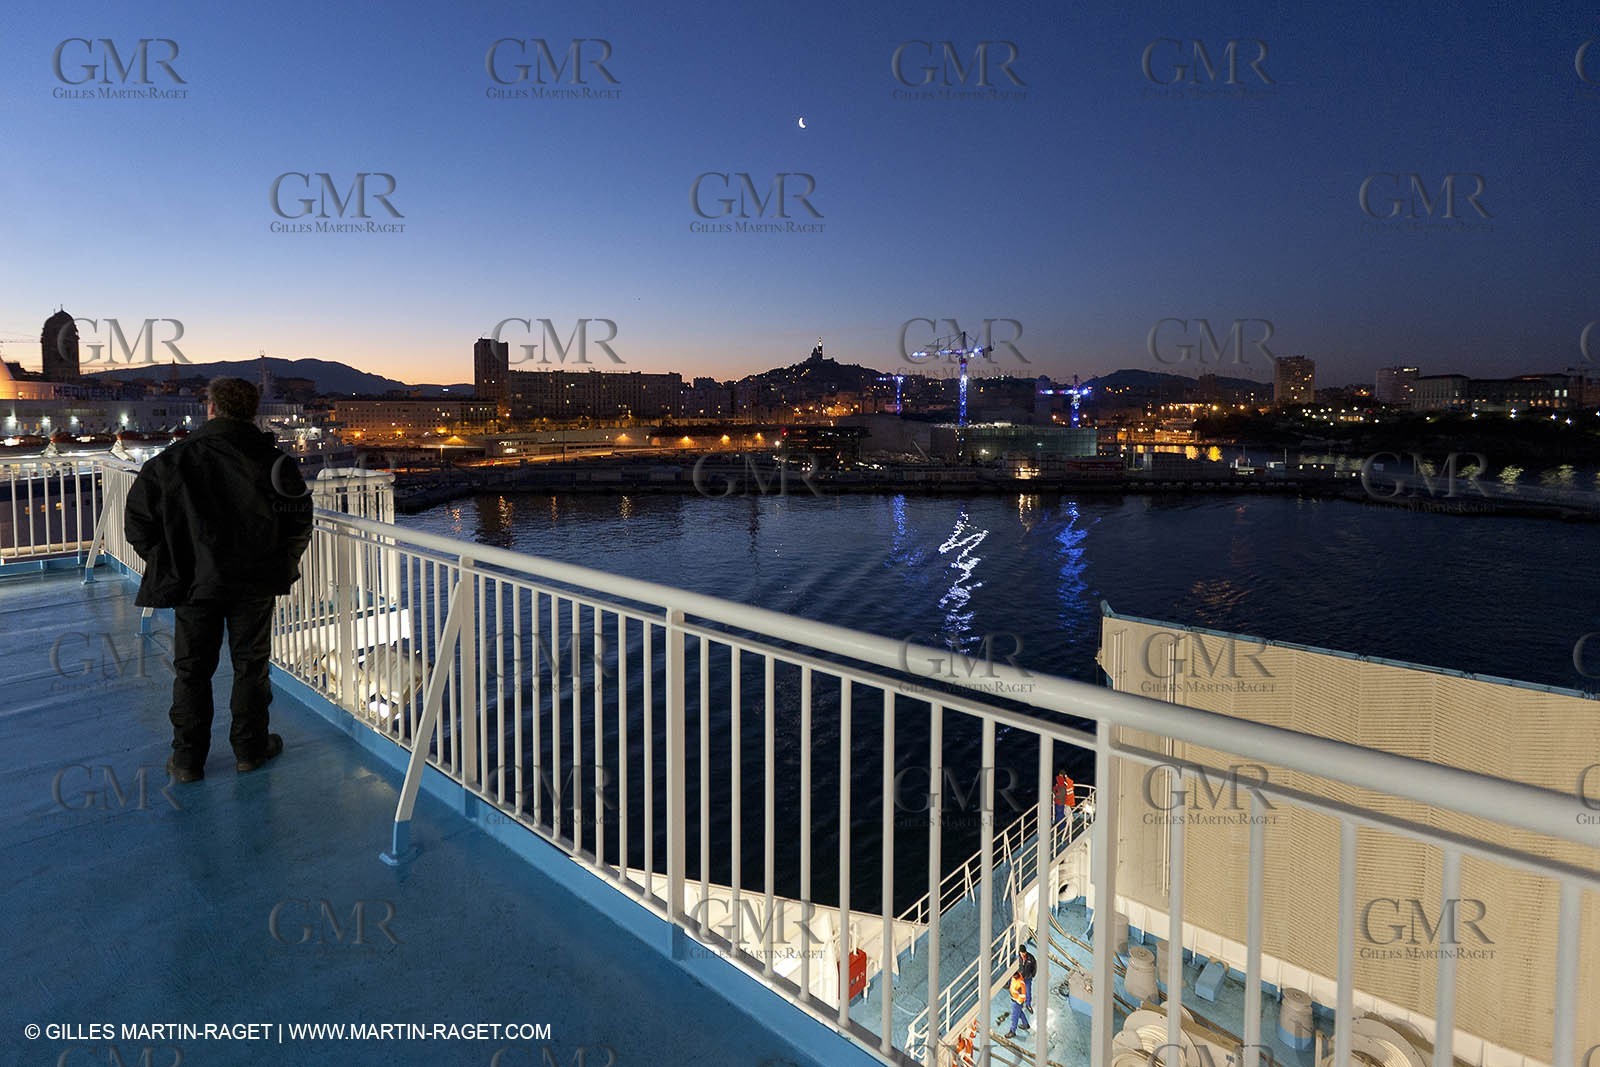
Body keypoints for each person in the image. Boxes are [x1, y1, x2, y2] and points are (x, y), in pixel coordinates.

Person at [125, 377, 313, 783]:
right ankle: (250, 749)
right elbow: (299, 522)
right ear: (251, 411)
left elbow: (138, 525)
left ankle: (188, 760)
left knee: (191, 671)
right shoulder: (275, 461)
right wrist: (282, 564)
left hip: (194, 583)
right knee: (251, 667)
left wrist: (171, 564)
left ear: (210, 408)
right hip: (255, 581)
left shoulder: (171, 461)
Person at [1004, 969, 1030, 1038]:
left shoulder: (1020, 983)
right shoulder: (1014, 977)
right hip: (1014, 999)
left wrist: (1018, 1003)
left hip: (1017, 1001)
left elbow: (1023, 995)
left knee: (1014, 1017)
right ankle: (1026, 1024)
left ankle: (1012, 1031)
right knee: (1020, 1013)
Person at [1018, 944, 1037, 1010]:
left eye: (1025, 952)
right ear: (1020, 952)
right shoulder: (1016, 958)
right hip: (1019, 979)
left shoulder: (1030, 957)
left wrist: (1032, 974)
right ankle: (1020, 1004)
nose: (1024, 954)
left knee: (1028, 992)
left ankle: (1028, 1004)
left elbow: (1034, 966)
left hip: (1027, 978)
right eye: (1022, 953)